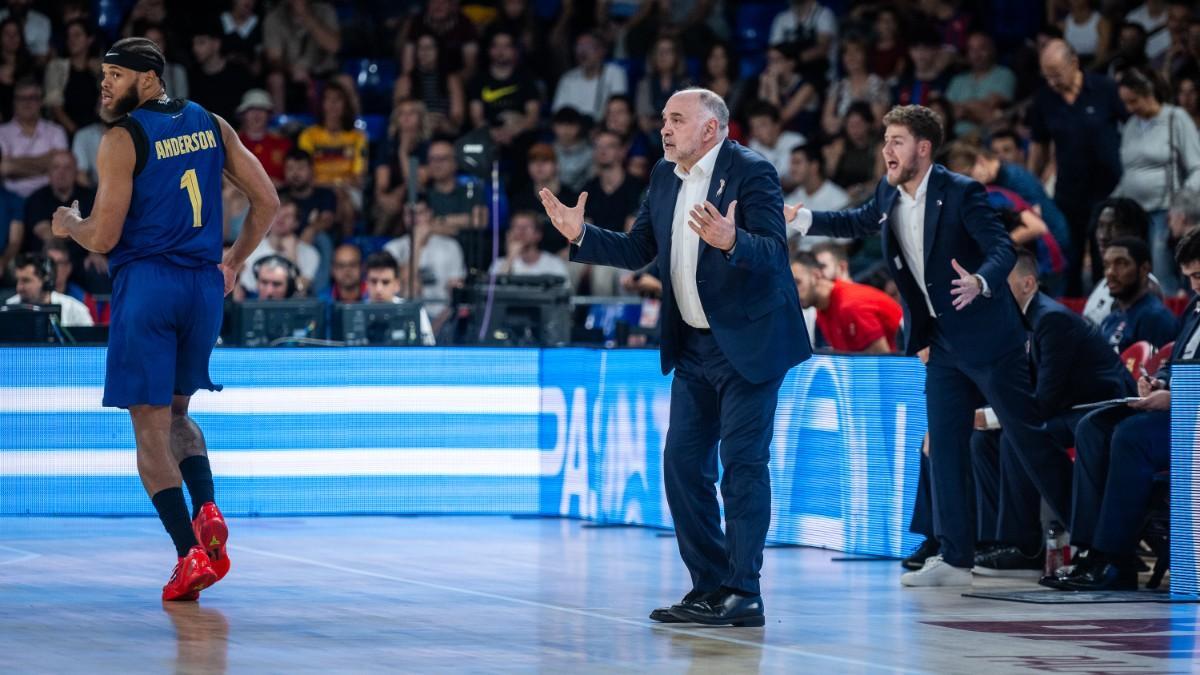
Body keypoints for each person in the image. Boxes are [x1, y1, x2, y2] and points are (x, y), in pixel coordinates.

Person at [540, 88, 807, 626]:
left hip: (749, 346)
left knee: (743, 466)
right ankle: (710, 585)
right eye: (663, 118)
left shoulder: (751, 172)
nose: (664, 128)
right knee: (682, 466)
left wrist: (733, 240)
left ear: (711, 129)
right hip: (694, 344)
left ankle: (743, 591)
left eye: (677, 119)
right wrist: (582, 235)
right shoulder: (665, 176)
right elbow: (640, 249)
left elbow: (775, 255)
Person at [789, 104, 1072, 587]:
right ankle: (955, 555)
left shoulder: (961, 192)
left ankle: (1084, 533)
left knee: (1027, 439)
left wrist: (982, 282)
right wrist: (804, 217)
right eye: (884, 141)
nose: (886, 150)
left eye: (896, 141)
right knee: (944, 445)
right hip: (941, 343)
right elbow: (858, 221)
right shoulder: (888, 193)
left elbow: (1002, 248)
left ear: (923, 147)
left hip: (990, 339)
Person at [50, 37, 278, 601]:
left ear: (149, 79)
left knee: (149, 430)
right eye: (103, 75)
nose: (105, 84)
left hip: (149, 284)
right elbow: (267, 201)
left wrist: (69, 224)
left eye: (116, 75)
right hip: (203, 287)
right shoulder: (211, 122)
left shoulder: (122, 138)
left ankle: (188, 555)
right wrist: (234, 261)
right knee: (179, 415)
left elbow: (103, 236)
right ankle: (207, 510)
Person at [1048, 228, 1200, 591]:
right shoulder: (1196, 307)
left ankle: (1117, 559)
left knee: (1130, 437)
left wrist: (1177, 397)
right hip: (1177, 410)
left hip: (1193, 419)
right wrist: (1160, 382)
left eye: (1199, 276)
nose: (1194, 286)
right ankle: (1088, 551)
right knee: (1094, 426)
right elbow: (1176, 359)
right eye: (1190, 277)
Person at [970, 249, 1136, 577]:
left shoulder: (1051, 319)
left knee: (1020, 437)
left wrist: (993, 417)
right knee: (983, 441)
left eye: (998, 284)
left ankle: (1041, 544)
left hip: (1101, 410)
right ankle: (996, 538)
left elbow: (1044, 400)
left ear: (1028, 283)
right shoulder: (1021, 321)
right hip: (1069, 410)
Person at [1028, 40, 1125, 295]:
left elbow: (1131, 128)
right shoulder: (1044, 100)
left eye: (1056, 75)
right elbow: (1039, 146)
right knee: (1068, 256)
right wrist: (1031, 186)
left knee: (1102, 256)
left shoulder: (1105, 89)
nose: (1052, 82)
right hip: (1068, 192)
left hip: (1108, 190)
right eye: (1047, 76)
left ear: (1074, 63)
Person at [1111, 66, 1200, 296]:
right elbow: (1129, 172)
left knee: (1163, 271)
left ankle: (1178, 320)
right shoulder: (1131, 125)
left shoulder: (1175, 118)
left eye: (1134, 101)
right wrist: (1112, 203)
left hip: (1166, 212)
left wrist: (1180, 207)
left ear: (1149, 92)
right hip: (1134, 216)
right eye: (1125, 103)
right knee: (1138, 277)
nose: (1130, 108)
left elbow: (1197, 168)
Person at [791, 250, 902, 353]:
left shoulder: (850, 304)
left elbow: (881, 364)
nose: (792, 292)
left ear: (816, 275)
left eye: (797, 282)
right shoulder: (822, 309)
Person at [1098, 237, 1178, 352]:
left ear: (1144, 269)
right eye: (1106, 265)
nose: (1110, 272)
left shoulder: (1155, 318)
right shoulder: (1109, 320)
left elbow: (1163, 368)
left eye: (1120, 264)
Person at [5, 252, 93, 326]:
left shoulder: (74, 309)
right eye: (18, 281)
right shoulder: (7, 309)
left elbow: (90, 344)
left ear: (46, 280)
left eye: (26, 281)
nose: (19, 287)